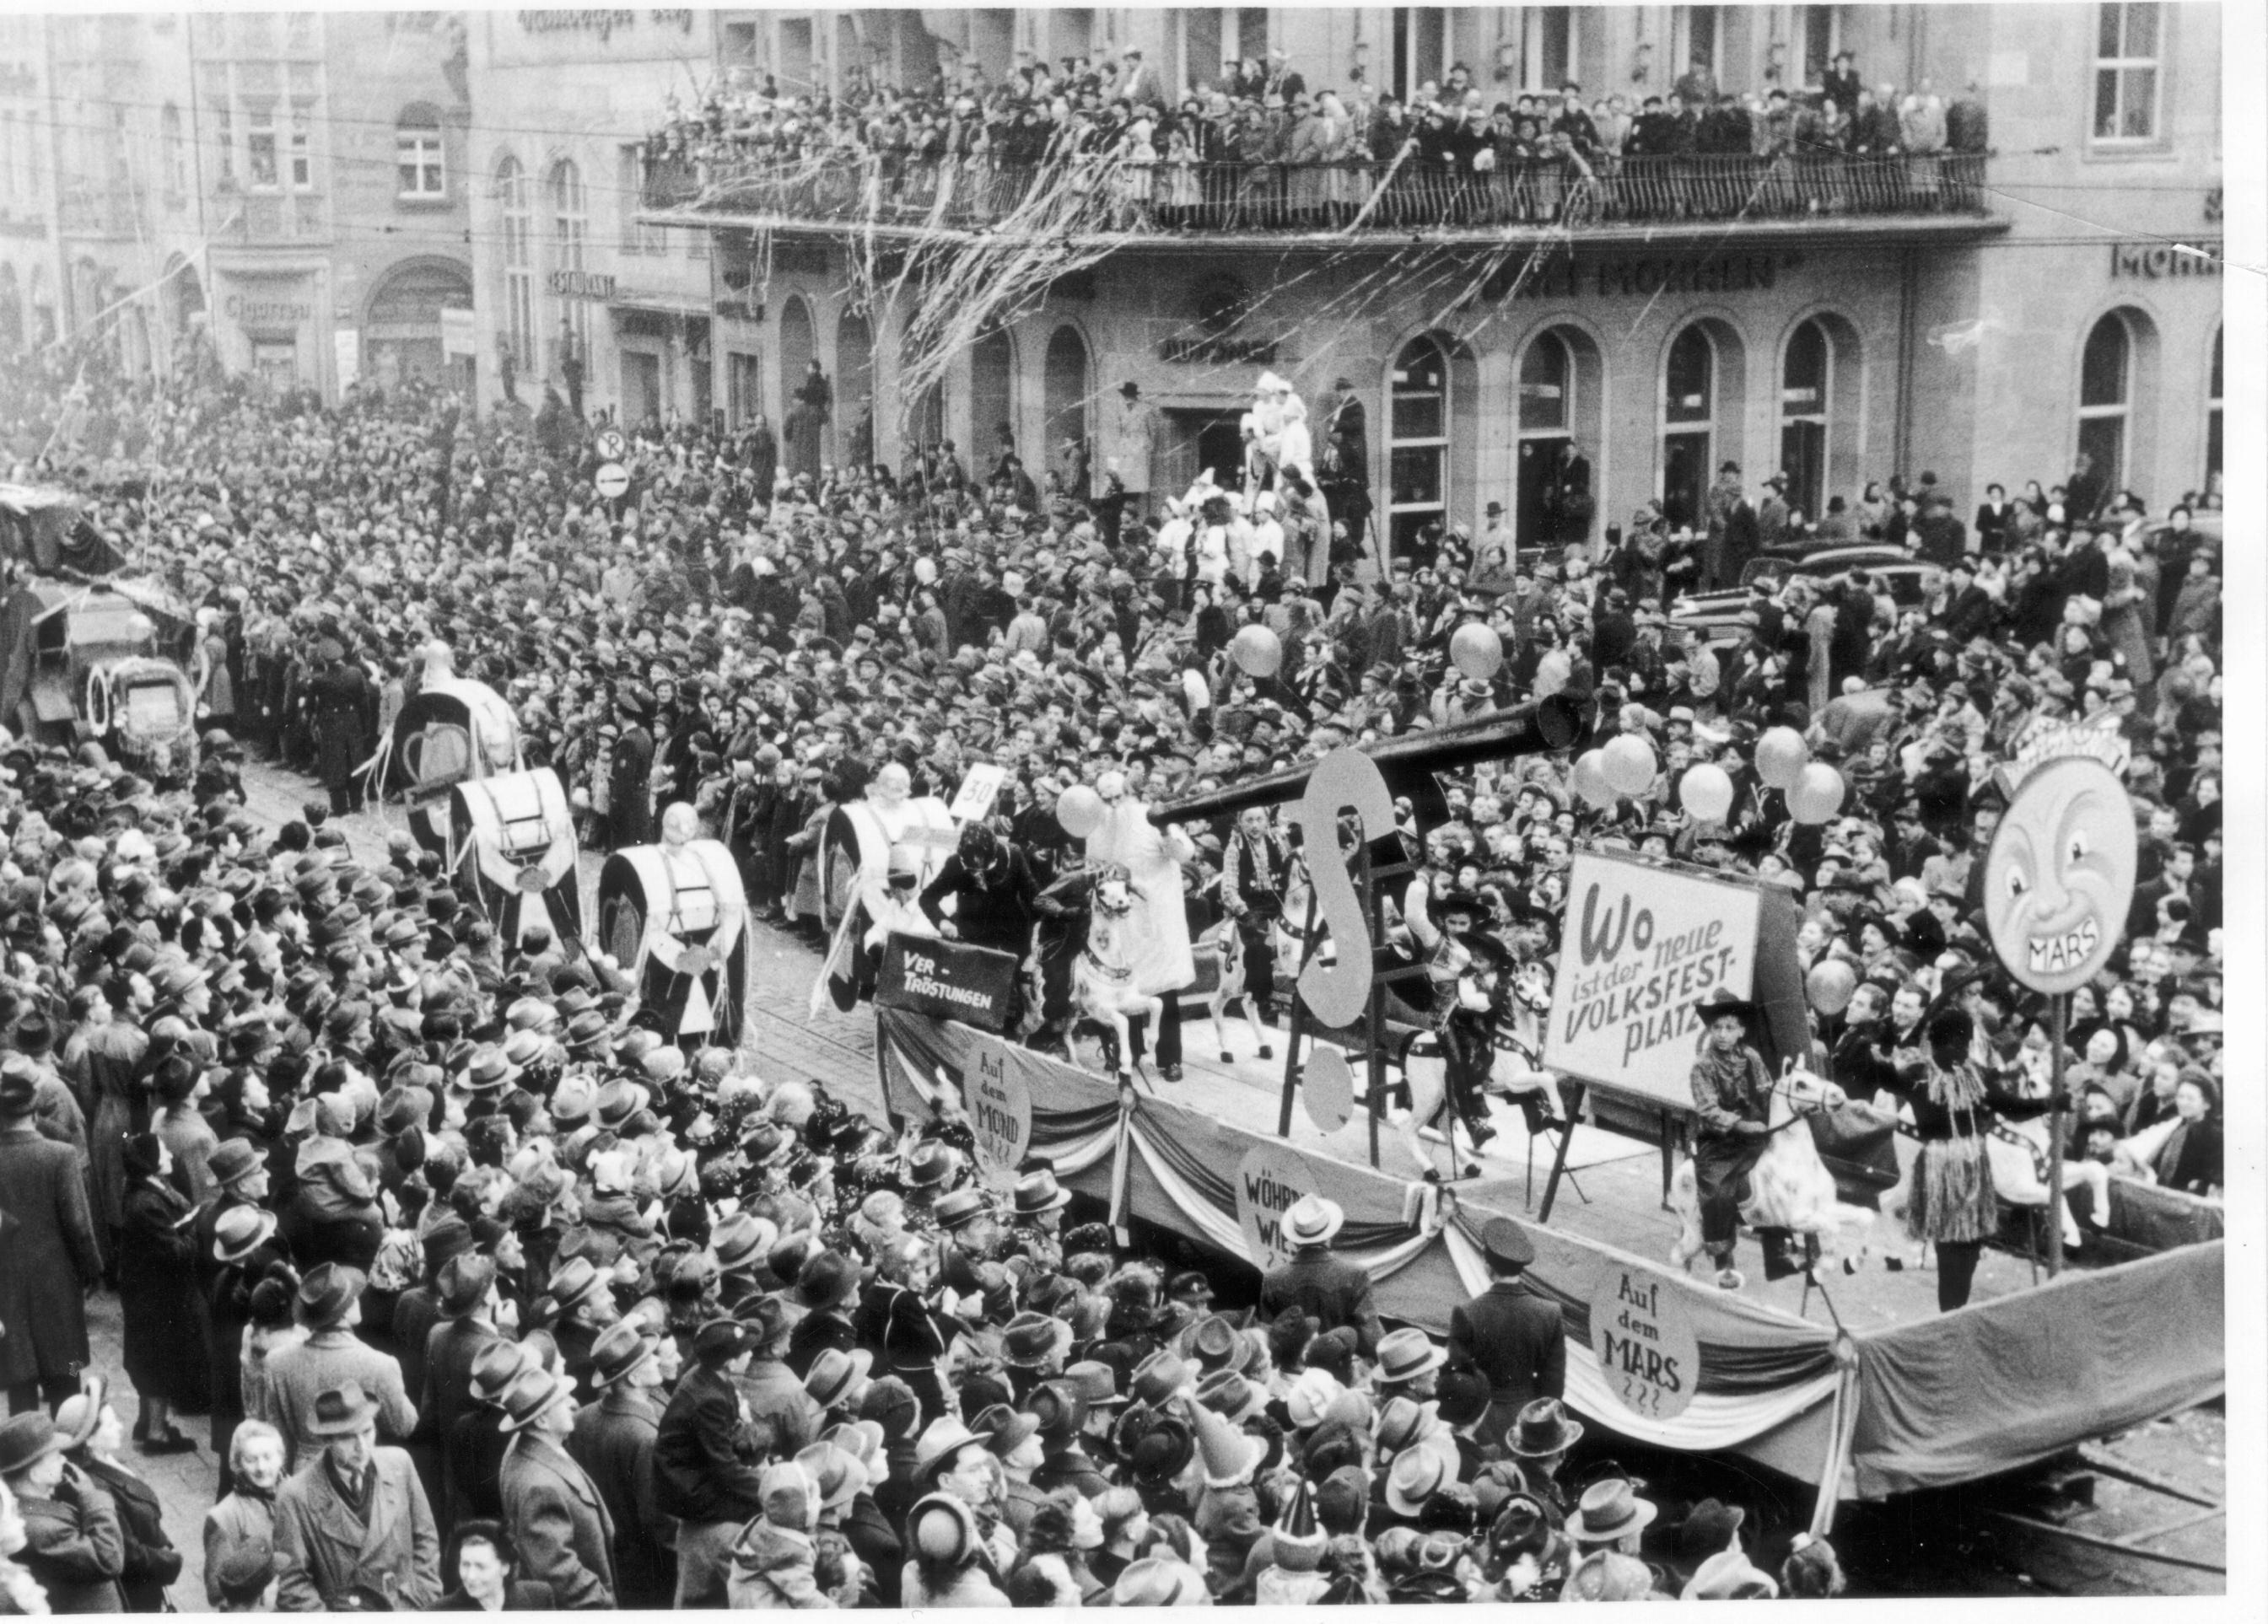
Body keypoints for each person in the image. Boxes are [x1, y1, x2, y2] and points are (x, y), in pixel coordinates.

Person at [272, 1381, 442, 1611]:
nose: (361, 1446)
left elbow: (426, 1539)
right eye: (347, 1437)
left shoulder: (400, 1464)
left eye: (367, 1431)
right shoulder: (295, 1495)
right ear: (327, 1440)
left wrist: (422, 1600)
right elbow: (292, 1581)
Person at [0, 1068, 101, 1417]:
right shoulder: (60, 1155)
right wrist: (92, 1269)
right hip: (58, 1284)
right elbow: (78, 1224)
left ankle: (25, 1451)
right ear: (34, 1111)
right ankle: (72, 1443)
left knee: (20, 1379)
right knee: (70, 1367)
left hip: (8, 1286)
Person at [1685, 987, 1797, 1290]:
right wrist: (1740, 1125)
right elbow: (1708, 1108)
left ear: (1741, 1031)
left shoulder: (1751, 1057)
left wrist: (1778, 1111)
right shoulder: (1703, 1066)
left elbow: (1766, 1090)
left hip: (1755, 1139)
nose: (1722, 1034)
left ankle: (1779, 1251)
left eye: (1729, 1028)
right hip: (1719, 1143)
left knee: (1778, 1178)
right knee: (1718, 1192)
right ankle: (1724, 1259)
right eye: (1717, 1028)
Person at [495, 1364, 617, 1609]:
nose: (573, 1403)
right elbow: (558, 1572)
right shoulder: (539, 1486)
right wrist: (604, 1604)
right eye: (562, 1400)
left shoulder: (538, 1448)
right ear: (541, 1420)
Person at [52, 1384, 179, 1613]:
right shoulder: (97, 1489)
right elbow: (129, 1554)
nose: (120, 1427)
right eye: (111, 1424)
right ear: (89, 1440)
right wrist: (170, 1562)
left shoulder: (103, 1461)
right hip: (136, 1593)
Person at [1445, 1218, 1564, 1444]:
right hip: (1529, 1418)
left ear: (1487, 1264)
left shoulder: (1467, 1313)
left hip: (1481, 1419)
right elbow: (1553, 1385)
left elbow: (1458, 1379)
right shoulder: (1550, 1313)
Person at [0, 1412, 126, 1612]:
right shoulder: (41, 1531)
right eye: (57, 1456)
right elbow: (107, 1560)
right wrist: (92, 1497)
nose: (64, 1460)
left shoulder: (33, 1503)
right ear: (35, 1474)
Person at [1258, 1196, 1382, 1357]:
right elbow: (1371, 1337)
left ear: (1295, 1240)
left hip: (1291, 1371)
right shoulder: (1355, 1275)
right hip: (1340, 1369)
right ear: (1329, 1236)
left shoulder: (1272, 1279)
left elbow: (1269, 1338)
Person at [203, 1421, 286, 1612]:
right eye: (251, 1459)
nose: (261, 1467)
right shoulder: (224, 1516)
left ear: (281, 1457)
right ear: (238, 1464)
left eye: (268, 1457)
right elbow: (217, 1592)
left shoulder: (297, 1495)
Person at [428, 1519, 559, 1611]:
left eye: (481, 1567)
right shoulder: (439, 1613)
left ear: (505, 1567)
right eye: (465, 1565)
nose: (471, 1576)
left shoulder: (539, 1598)